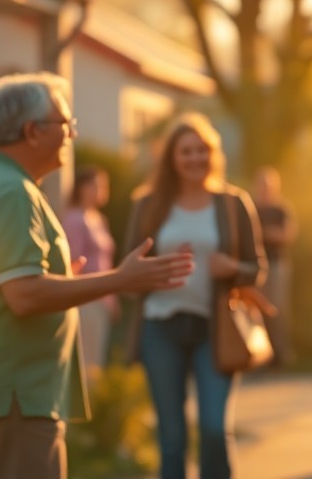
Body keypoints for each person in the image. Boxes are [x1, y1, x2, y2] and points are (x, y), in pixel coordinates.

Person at [0, 73, 194, 479]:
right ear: (32, 131)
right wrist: (119, 279)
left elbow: (18, 283)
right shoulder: (11, 193)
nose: (72, 134)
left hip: (8, 394)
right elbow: (24, 296)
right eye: (66, 124)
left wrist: (64, 279)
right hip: (11, 396)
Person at [121, 113, 267, 479]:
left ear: (213, 154)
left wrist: (231, 268)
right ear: (172, 157)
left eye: (202, 150)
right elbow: (126, 272)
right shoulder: (148, 204)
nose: (195, 158)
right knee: (171, 438)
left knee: (215, 429)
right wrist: (155, 271)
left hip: (215, 330)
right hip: (161, 327)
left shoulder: (233, 204)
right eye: (186, 151)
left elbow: (257, 268)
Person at [59, 165, 118, 372]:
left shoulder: (99, 219)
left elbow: (106, 261)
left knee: (97, 360)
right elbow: (73, 261)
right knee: (87, 361)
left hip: (102, 297)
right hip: (85, 297)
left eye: (102, 185)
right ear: (81, 188)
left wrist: (111, 296)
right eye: (95, 185)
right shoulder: (75, 219)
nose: (100, 190)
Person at [253, 166, 297, 366]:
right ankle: (259, 354)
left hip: (278, 265)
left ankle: (280, 354)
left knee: (278, 309)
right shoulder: (252, 208)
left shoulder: (282, 209)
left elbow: (286, 235)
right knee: (256, 309)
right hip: (256, 265)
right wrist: (268, 233)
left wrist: (264, 233)